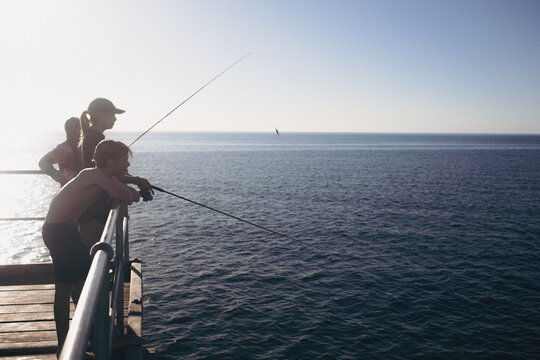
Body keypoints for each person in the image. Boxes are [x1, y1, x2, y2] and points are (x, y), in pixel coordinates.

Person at [42, 139, 140, 356]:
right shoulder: (93, 174)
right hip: (61, 233)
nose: (128, 165)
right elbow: (124, 194)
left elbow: (122, 189)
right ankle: (106, 338)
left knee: (65, 288)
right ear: (112, 161)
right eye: (124, 160)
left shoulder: (99, 176)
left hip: (57, 230)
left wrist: (128, 189)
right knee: (94, 283)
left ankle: (64, 347)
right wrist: (131, 191)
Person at [78, 98, 153, 249]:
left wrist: (135, 180)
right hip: (93, 209)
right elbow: (105, 174)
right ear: (99, 115)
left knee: (90, 254)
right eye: (112, 114)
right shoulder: (95, 139)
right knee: (90, 255)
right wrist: (137, 180)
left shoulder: (92, 137)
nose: (115, 118)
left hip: (92, 206)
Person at [39, 117, 83, 186]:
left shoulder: (82, 146)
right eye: (80, 128)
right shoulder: (64, 149)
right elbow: (43, 162)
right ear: (74, 130)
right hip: (70, 190)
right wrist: (60, 178)